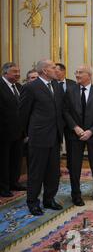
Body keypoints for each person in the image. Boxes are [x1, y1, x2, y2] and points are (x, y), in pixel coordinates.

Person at [19, 59, 64, 216]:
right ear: (45, 71)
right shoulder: (30, 87)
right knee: (36, 172)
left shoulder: (57, 86)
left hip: (55, 136)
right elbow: (23, 114)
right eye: (53, 67)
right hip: (38, 137)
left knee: (53, 172)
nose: (56, 69)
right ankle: (32, 202)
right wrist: (28, 135)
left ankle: (49, 199)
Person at [63, 65, 93, 206]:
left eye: (80, 72)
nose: (76, 74)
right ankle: (76, 194)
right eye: (76, 72)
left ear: (89, 75)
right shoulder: (69, 91)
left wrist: (91, 131)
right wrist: (75, 128)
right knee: (74, 165)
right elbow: (65, 112)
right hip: (74, 135)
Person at [0, 62, 26, 197]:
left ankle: (14, 183)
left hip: (18, 132)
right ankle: (3, 187)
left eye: (18, 71)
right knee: (3, 161)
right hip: (3, 133)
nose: (18, 74)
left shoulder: (19, 87)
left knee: (16, 159)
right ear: (5, 73)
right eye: (14, 72)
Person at [55, 63, 77, 176]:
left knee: (72, 146)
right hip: (55, 121)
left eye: (57, 70)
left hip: (70, 120)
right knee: (55, 146)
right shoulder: (52, 84)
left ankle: (72, 167)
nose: (54, 72)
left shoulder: (73, 84)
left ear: (63, 71)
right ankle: (55, 169)